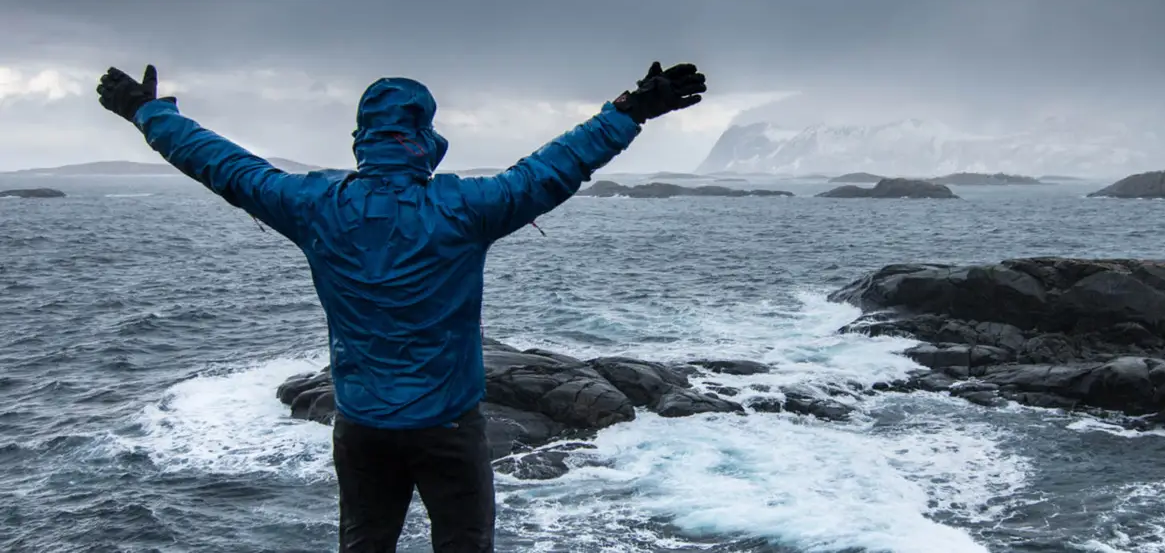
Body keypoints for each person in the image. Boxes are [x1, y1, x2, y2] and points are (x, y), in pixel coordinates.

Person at [95, 60, 707, 552]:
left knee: (364, 543)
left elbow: (221, 164)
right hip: (449, 426)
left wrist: (146, 112)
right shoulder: (464, 207)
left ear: (361, 140)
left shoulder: (313, 204)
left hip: (361, 424)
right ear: (424, 138)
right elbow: (553, 168)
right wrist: (630, 111)